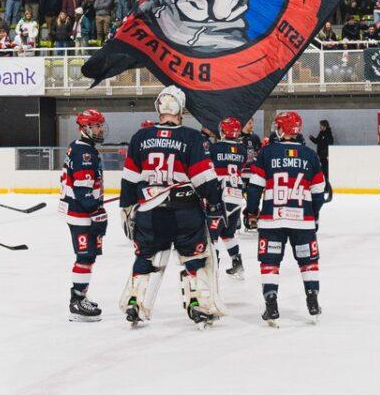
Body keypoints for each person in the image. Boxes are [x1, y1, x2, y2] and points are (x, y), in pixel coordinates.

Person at [119, 87, 221, 326]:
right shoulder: (191, 137)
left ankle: (135, 302)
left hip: (149, 212)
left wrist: (126, 208)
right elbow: (203, 179)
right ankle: (198, 306)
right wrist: (216, 201)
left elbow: (129, 180)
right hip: (185, 212)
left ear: (159, 107)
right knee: (194, 257)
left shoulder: (140, 137)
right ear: (181, 109)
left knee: (145, 256)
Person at [243, 110, 327, 324]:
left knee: (270, 261)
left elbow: (254, 187)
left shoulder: (266, 153)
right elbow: (319, 192)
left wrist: (251, 212)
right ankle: (313, 298)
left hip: (272, 219)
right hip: (303, 220)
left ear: (282, 129)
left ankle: (271, 301)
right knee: (308, 261)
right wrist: (314, 214)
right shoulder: (310, 155)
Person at [61, 108, 109, 322]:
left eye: (100, 125)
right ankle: (77, 300)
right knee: (85, 256)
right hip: (82, 214)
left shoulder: (79, 147)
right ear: (84, 128)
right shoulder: (85, 153)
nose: (100, 130)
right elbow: (83, 190)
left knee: (88, 257)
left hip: (81, 212)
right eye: (96, 126)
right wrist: (97, 211)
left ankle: (81, 296)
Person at [208, 117, 250, 279]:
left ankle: (213, 268)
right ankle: (237, 263)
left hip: (220, 194)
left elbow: (208, 168)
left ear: (223, 131)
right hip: (237, 195)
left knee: (212, 234)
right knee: (228, 233)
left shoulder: (215, 147)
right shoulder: (242, 150)